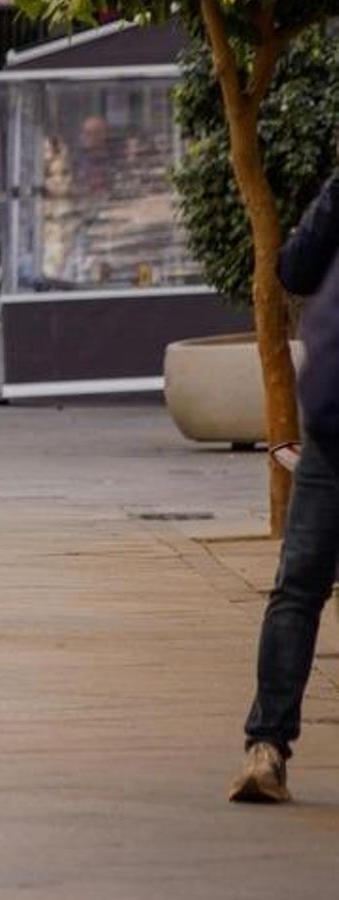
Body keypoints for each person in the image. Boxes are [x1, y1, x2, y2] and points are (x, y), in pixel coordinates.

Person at [230, 170, 339, 803]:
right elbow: (294, 268)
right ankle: (265, 747)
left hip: (332, 416)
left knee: (297, 585)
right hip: (335, 418)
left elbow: (296, 269)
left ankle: (266, 748)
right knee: (298, 584)